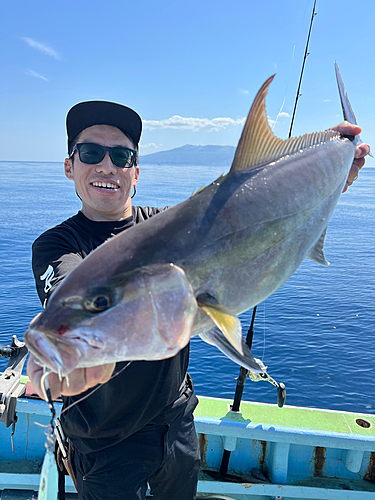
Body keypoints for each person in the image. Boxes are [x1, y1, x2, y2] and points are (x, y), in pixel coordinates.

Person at [27, 99, 370, 500]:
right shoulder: (57, 245)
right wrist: (62, 352)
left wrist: (329, 175)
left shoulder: (170, 222)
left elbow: (248, 212)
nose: (106, 165)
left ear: (135, 172)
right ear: (70, 166)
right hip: (106, 444)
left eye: (121, 155)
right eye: (90, 153)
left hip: (177, 423)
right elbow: (67, 298)